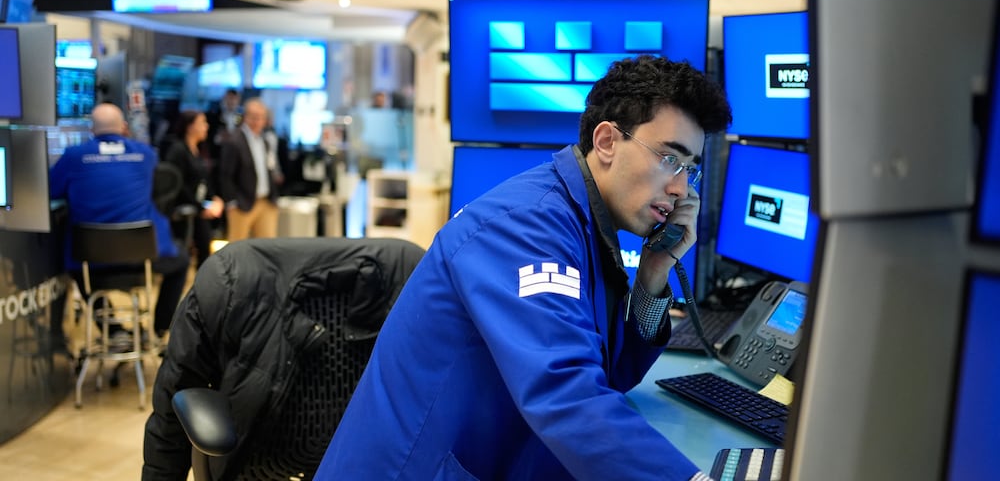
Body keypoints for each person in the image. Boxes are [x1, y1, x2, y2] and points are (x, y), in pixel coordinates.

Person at [315, 55, 732, 480]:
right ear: (606, 142)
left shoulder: (583, 225)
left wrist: (653, 274)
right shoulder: (528, 226)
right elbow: (567, 394)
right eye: (669, 159)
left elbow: (611, 375)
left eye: (691, 170)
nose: (681, 188)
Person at [49, 103, 191, 341]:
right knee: (182, 261)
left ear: (92, 129)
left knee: (76, 269)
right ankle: (158, 330)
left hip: (91, 262)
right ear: (124, 127)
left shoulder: (73, 157)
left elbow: (52, 190)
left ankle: (112, 331)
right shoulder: (145, 154)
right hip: (143, 259)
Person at [162, 110, 225, 269]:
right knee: (192, 250)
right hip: (183, 210)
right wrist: (201, 207)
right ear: (190, 126)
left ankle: (202, 285)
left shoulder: (198, 150)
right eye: (202, 123)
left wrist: (213, 198)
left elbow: (202, 180)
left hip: (197, 207)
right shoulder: (178, 150)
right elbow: (178, 184)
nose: (206, 126)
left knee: (205, 246)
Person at [217, 97, 280, 241]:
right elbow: (225, 175)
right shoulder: (234, 141)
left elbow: (269, 169)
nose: (257, 121)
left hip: (265, 201)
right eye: (254, 117)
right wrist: (231, 201)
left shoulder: (264, 141)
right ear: (246, 117)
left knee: (267, 247)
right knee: (238, 247)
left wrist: (274, 198)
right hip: (242, 202)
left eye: (261, 117)